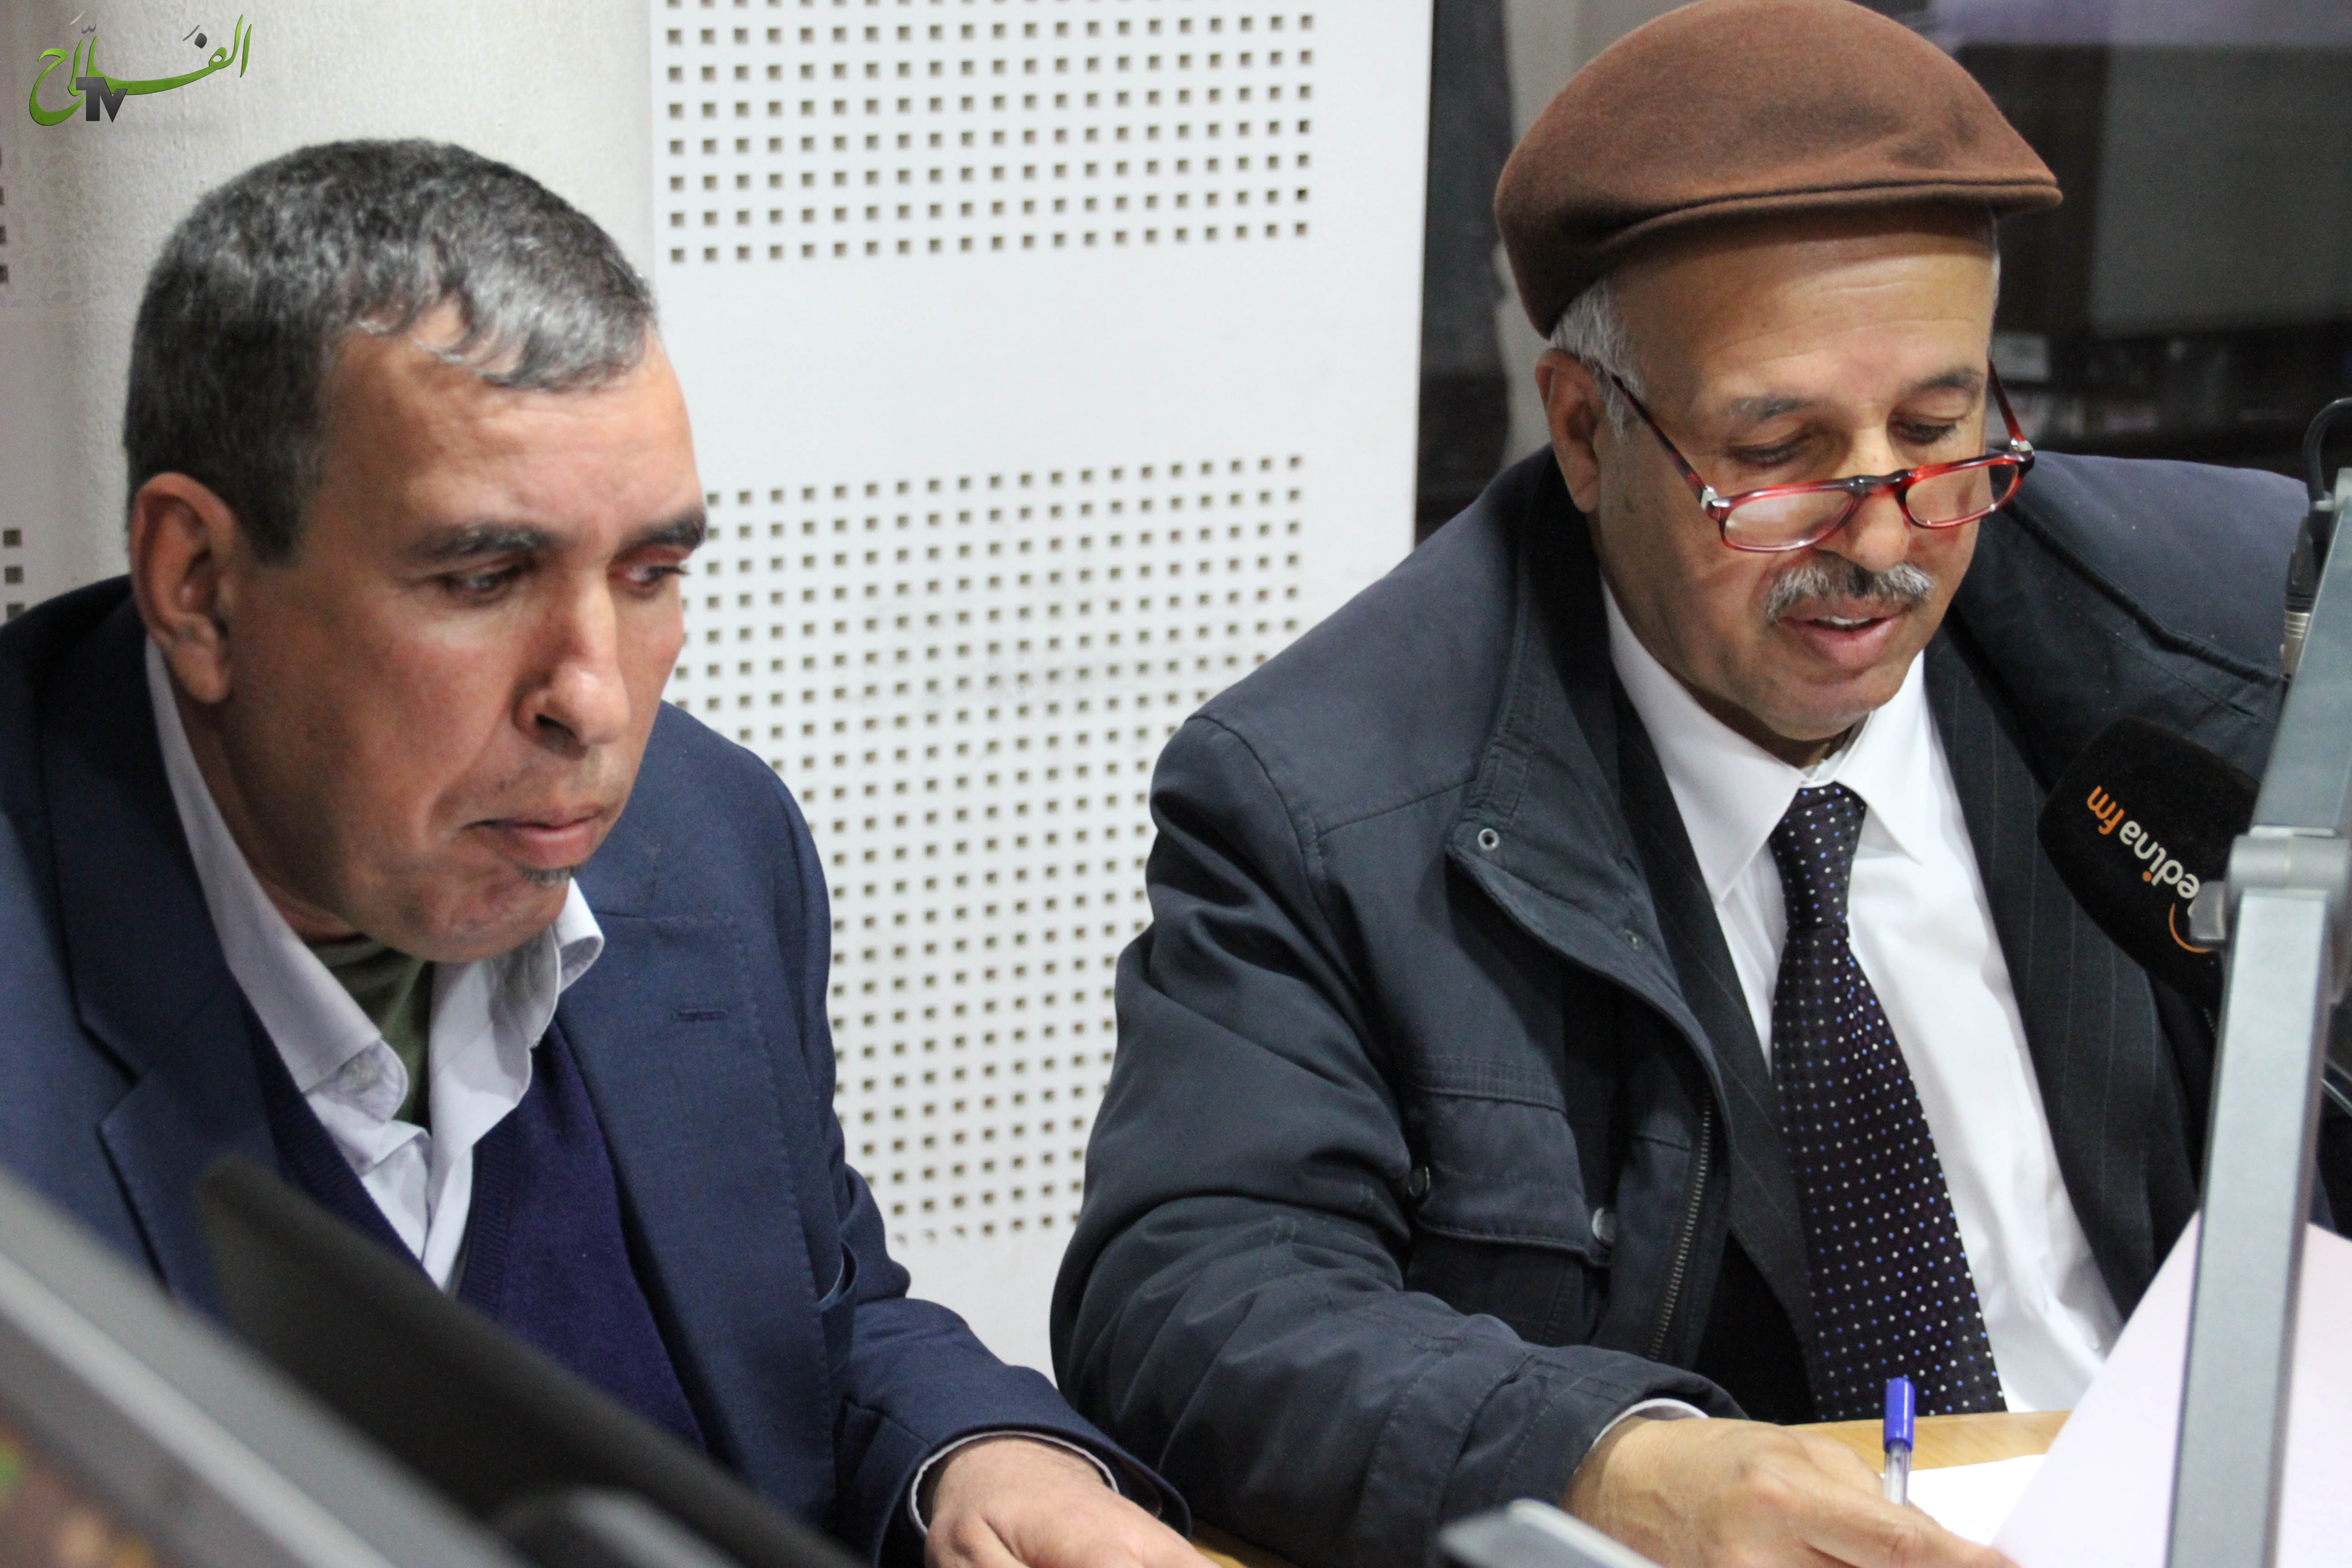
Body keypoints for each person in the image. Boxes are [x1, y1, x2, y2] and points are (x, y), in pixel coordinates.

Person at [1049, 3, 2352, 1567]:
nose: (1884, 538)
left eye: (1936, 431)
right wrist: (1611, 1462)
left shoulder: (2247, 627)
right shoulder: (1328, 796)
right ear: (1586, 431)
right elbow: (1193, 1300)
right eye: (1781, 454)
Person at [0, 139, 1201, 1568]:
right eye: (482, 578)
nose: (598, 701)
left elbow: (818, 1325)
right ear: (199, 585)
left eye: (651, 575)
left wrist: (984, 1458)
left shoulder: (710, 840)